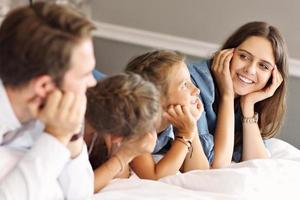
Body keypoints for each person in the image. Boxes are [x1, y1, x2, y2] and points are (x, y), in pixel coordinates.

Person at [0, 2, 97, 199]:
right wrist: (56, 137)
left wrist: (71, 136)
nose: (93, 82)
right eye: (85, 74)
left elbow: (80, 196)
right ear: (44, 87)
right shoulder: (54, 128)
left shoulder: (49, 114)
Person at [188, 21, 288, 168]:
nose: (250, 70)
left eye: (263, 66)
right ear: (227, 54)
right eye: (243, 56)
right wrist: (227, 96)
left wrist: (248, 106)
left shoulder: (244, 98)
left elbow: (258, 166)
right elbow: (217, 165)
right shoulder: (192, 85)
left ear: (273, 77)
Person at [125, 50, 209, 180]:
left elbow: (200, 172)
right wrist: (184, 136)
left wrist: (191, 126)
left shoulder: (172, 122)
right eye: (185, 85)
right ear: (156, 99)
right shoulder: (135, 126)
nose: (196, 90)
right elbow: (154, 176)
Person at [84, 73, 160, 192]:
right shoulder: (71, 132)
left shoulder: (102, 128)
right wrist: (125, 155)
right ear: (117, 137)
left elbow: (121, 178)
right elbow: (81, 189)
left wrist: (119, 149)